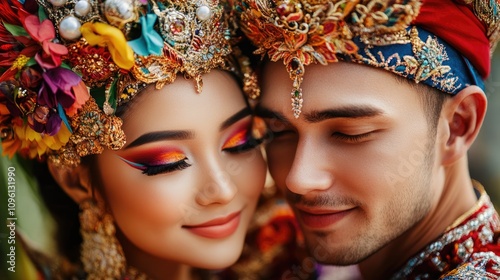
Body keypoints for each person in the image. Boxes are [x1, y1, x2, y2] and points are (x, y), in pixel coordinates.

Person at [0, 0, 289, 279]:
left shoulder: (292, 259)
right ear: (77, 181)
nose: (223, 190)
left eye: (241, 143)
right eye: (168, 164)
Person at [231, 0, 500, 279]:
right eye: (278, 131)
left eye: (350, 134)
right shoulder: (276, 255)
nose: (298, 179)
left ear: (458, 126)